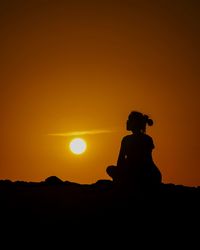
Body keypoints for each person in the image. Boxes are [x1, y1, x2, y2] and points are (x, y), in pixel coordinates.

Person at [106, 111, 162, 191]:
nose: (127, 122)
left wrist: (117, 177)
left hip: (138, 174)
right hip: (153, 174)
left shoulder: (126, 140)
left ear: (134, 123)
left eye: (129, 120)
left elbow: (121, 160)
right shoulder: (147, 139)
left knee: (110, 169)